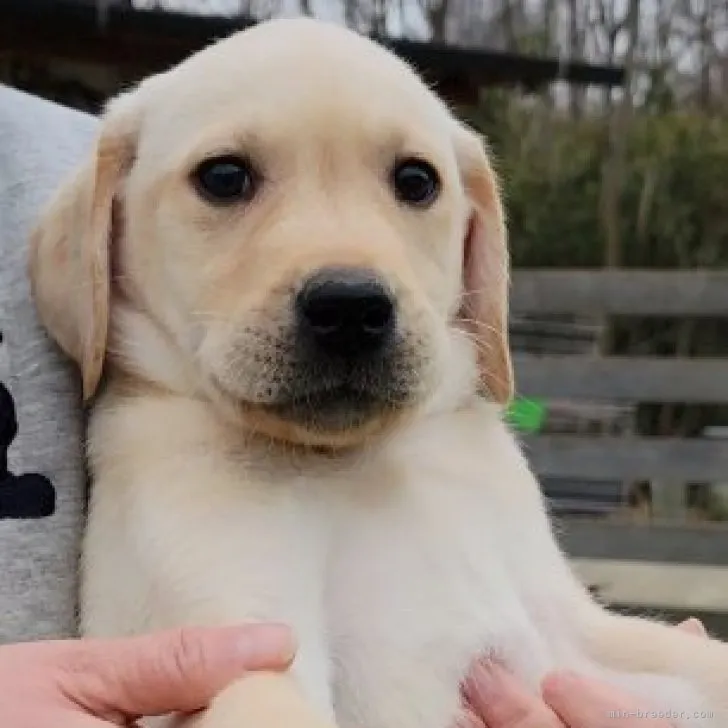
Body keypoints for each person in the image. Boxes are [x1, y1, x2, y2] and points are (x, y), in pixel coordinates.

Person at [0, 85, 706, 728]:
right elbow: (248, 693)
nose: (348, 280)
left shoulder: (461, 436)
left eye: (412, 181)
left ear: (474, 235)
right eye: (227, 179)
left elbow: (576, 643)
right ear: (101, 237)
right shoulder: (172, 448)